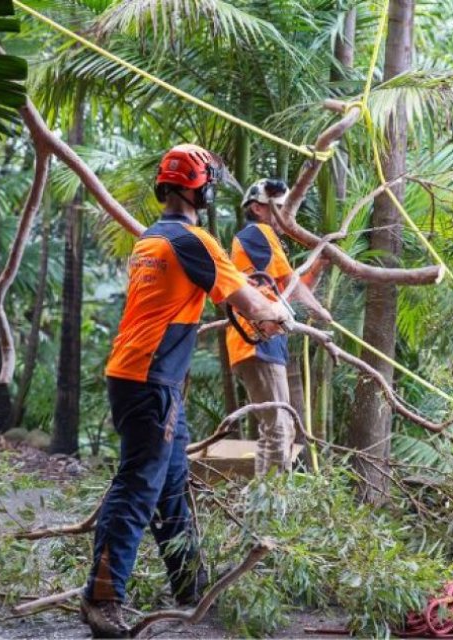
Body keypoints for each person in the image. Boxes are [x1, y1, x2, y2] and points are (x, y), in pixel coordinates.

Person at [80, 145, 291, 638]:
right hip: (151, 381)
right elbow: (249, 302)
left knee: (171, 484)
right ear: (203, 189)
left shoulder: (152, 239)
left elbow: (219, 292)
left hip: (142, 377)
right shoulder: (194, 241)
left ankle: (190, 585)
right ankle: (101, 597)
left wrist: (261, 304)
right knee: (138, 487)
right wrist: (283, 315)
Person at [225, 178, 332, 477]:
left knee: (276, 425)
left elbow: (289, 285)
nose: (287, 215)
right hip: (256, 337)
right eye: (281, 208)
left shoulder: (264, 238)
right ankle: (271, 502)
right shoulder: (258, 233)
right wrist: (321, 311)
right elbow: (295, 290)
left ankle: (269, 496)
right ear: (259, 208)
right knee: (279, 426)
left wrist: (317, 268)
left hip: (264, 337)